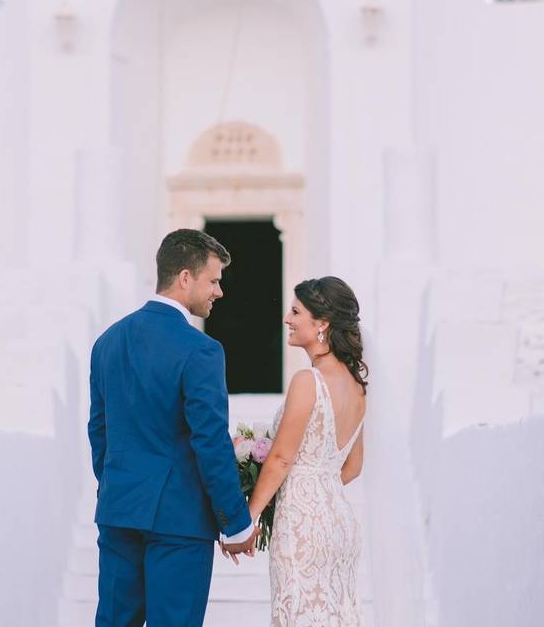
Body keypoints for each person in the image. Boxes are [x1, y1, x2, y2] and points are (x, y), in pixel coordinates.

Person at [88, 229, 258, 627]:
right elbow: (210, 443)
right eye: (214, 280)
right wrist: (236, 523)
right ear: (185, 277)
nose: (219, 292)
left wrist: (117, 486)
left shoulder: (107, 341)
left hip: (118, 511)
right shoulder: (201, 350)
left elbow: (99, 430)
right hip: (179, 521)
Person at [241, 276, 369, 626]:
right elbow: (353, 466)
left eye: (296, 311)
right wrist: (319, 490)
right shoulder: (357, 387)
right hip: (339, 522)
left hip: (302, 524)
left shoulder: (307, 381)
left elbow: (281, 458)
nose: (287, 318)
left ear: (322, 324)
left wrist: (250, 516)